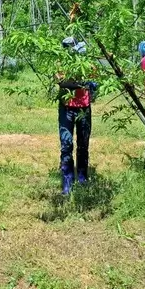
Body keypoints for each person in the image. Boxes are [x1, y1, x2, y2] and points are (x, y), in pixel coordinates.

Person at [56, 37, 97, 195]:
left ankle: (82, 178)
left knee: (83, 145)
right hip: (66, 108)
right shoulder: (61, 62)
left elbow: (94, 80)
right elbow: (63, 82)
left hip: (84, 108)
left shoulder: (87, 62)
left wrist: (92, 85)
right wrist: (83, 83)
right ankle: (67, 182)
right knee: (66, 144)